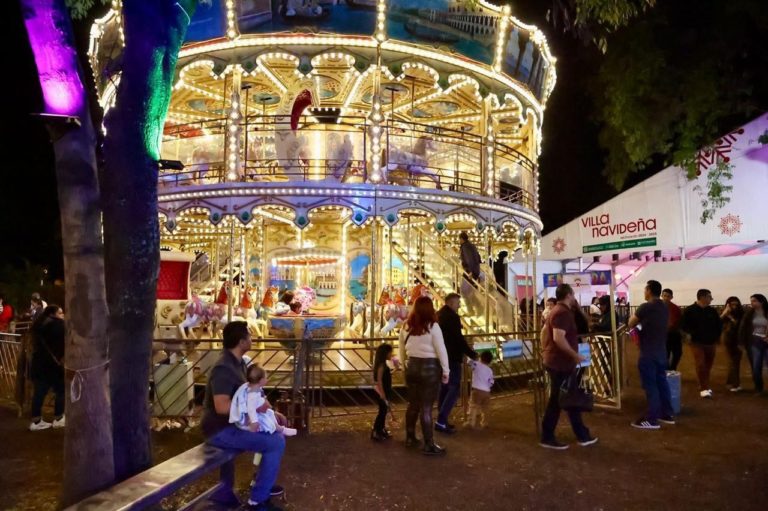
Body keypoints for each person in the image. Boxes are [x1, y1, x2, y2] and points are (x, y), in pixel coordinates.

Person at [202, 321, 286, 511]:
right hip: (220, 429)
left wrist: (270, 412)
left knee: (277, 430)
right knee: (275, 442)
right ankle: (258, 500)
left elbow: (250, 395)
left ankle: (261, 482)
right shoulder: (224, 368)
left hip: (234, 425)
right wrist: (255, 409)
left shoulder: (238, 363)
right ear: (241, 342)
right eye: (249, 335)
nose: (252, 338)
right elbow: (222, 407)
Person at [539, 283, 597, 449]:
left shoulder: (556, 311)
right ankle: (549, 436)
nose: (574, 297)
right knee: (559, 400)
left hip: (558, 361)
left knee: (568, 398)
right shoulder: (562, 313)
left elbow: (546, 334)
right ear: (569, 295)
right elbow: (558, 338)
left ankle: (581, 434)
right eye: (572, 294)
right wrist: (574, 355)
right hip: (560, 363)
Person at [398, 296, 450, 455]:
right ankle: (429, 444)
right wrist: (446, 371)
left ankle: (410, 437)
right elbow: (441, 350)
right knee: (426, 408)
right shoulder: (433, 326)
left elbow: (401, 349)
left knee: (413, 405)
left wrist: (403, 366)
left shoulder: (406, 326)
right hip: (430, 369)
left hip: (412, 367)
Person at [628, 280, 675, 429]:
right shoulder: (664, 307)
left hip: (648, 352)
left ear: (649, 290)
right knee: (662, 383)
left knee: (651, 386)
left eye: (645, 289)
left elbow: (631, 323)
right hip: (661, 351)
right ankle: (667, 413)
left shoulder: (646, 307)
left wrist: (639, 325)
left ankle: (651, 419)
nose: (644, 292)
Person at [435, 293, 477, 434]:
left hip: (441, 357)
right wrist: (471, 353)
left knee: (444, 388)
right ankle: (441, 420)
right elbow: (458, 338)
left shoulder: (438, 315)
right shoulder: (452, 317)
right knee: (453, 388)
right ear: (451, 303)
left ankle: (441, 419)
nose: (459, 306)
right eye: (458, 303)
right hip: (452, 357)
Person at [230, 364, 297, 437]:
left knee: (270, 413)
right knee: (267, 420)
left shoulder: (254, 389)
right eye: (266, 378)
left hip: (257, 413)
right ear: (261, 380)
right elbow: (251, 409)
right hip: (252, 419)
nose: (267, 380)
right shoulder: (252, 393)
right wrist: (254, 422)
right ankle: (281, 429)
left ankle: (279, 429)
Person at [29, 305, 66, 431]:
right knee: (61, 390)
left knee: (39, 392)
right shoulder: (58, 326)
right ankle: (59, 418)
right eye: (60, 313)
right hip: (53, 365)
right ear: (52, 314)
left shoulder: (38, 324)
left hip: (38, 364)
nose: (62, 315)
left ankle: (36, 421)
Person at [681, 289, 722, 398]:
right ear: (702, 297)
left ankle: (704, 383)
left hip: (710, 342)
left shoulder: (712, 311)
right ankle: (704, 388)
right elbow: (684, 325)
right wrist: (689, 334)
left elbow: (718, 325)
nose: (711, 299)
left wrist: (716, 337)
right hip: (696, 342)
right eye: (709, 297)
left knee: (708, 365)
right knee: (700, 364)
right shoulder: (690, 310)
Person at [738, 294, 768, 394]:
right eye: (751, 301)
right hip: (755, 342)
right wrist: (741, 341)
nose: (752, 303)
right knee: (756, 366)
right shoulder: (749, 314)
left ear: (762, 301)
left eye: (754, 301)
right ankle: (759, 388)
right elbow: (742, 327)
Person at [371, 343, 395, 441]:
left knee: (384, 411)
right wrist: (382, 394)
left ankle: (381, 429)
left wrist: (396, 369)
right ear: (385, 353)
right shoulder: (381, 366)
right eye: (390, 352)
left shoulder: (383, 365)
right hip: (382, 391)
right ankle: (376, 431)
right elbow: (379, 380)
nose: (391, 354)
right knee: (382, 412)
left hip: (385, 390)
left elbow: (387, 375)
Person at [720, 297, 745, 392]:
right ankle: (735, 384)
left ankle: (730, 383)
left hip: (738, 339)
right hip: (728, 339)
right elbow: (718, 322)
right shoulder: (724, 313)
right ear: (728, 304)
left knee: (735, 361)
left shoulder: (741, 313)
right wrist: (725, 313)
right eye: (732, 304)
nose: (734, 306)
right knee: (734, 361)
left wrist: (730, 316)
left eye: (736, 304)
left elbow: (739, 325)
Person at [467, 351, 494, 428]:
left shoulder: (477, 364)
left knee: (473, 406)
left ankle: (471, 423)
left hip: (477, 390)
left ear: (480, 358)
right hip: (487, 392)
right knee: (486, 408)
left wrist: (473, 357)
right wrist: (487, 387)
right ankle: (485, 423)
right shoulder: (490, 370)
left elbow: (469, 362)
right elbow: (491, 382)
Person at [661, 289, 683, 370]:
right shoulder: (657, 308)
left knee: (678, 353)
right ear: (661, 296)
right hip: (663, 335)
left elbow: (680, 321)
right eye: (664, 296)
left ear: (671, 297)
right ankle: (666, 370)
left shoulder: (676, 308)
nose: (666, 298)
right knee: (665, 354)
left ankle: (672, 369)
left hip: (674, 334)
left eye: (668, 296)